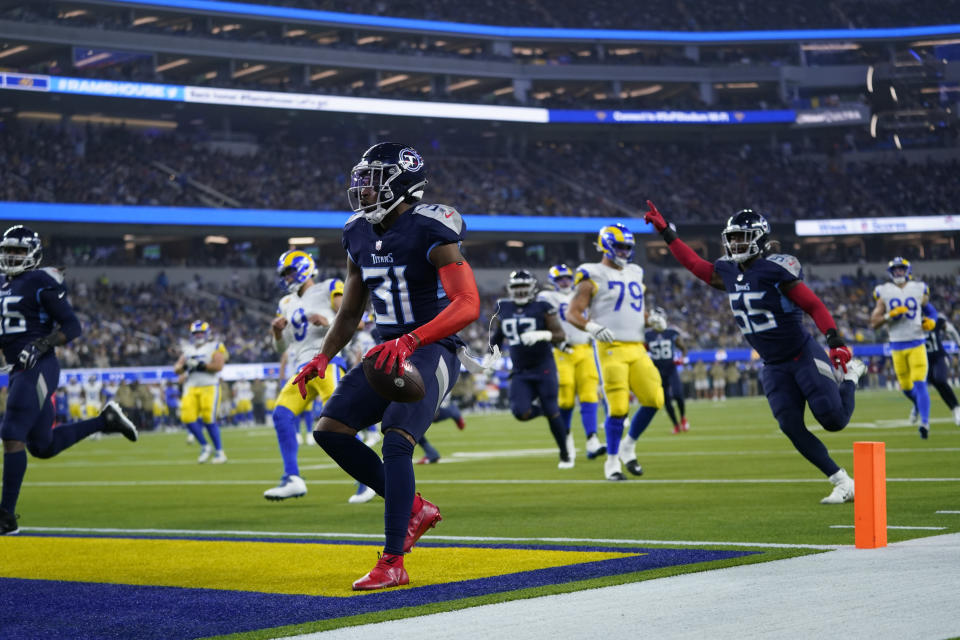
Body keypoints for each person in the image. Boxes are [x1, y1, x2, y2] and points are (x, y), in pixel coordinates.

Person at [292, 142, 480, 590]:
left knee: (396, 437)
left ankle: (393, 560)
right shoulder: (357, 231)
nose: (363, 188)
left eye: (373, 178)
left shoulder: (431, 228)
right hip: (386, 351)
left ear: (401, 182)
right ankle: (414, 508)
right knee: (329, 429)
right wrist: (323, 355)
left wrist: (413, 338)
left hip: (433, 347)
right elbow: (351, 309)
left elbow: (468, 304)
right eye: (362, 178)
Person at [645, 203, 865, 504]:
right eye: (733, 238)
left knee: (834, 421)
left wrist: (835, 340)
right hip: (773, 364)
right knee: (790, 425)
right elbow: (695, 264)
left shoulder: (776, 269)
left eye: (742, 237)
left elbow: (813, 304)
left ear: (759, 238)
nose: (736, 244)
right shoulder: (726, 271)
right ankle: (842, 481)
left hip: (801, 353)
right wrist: (666, 233)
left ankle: (852, 376)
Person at [0, 225, 138, 535]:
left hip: (38, 365)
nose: (12, 256)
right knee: (42, 446)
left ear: (33, 253)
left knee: (11, 432)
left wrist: (40, 345)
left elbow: (72, 327)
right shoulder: (4, 285)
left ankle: (5, 517)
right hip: (19, 367)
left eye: (19, 251)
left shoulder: (39, 280)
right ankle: (106, 421)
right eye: (8, 249)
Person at [266, 251, 374, 502]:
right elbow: (282, 349)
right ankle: (292, 478)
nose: (288, 278)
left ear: (304, 268)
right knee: (281, 414)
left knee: (339, 422)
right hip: (302, 367)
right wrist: (277, 334)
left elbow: (355, 322)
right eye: (285, 274)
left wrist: (326, 322)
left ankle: (368, 479)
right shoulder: (286, 303)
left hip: (327, 362)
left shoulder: (330, 286)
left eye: (290, 271)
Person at [566, 224, 664, 481]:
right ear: (605, 245)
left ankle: (627, 445)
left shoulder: (636, 271)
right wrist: (592, 327)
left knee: (655, 398)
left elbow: (632, 309)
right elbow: (573, 312)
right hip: (611, 348)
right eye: (619, 246)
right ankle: (611, 463)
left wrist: (651, 319)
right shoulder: (591, 273)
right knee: (618, 406)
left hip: (637, 345)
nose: (624, 251)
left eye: (627, 247)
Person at [491, 270, 572, 468]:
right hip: (520, 370)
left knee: (553, 410)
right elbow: (498, 336)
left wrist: (543, 334)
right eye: (516, 287)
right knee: (520, 412)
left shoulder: (542, 306)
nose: (520, 292)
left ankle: (565, 454)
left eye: (523, 287)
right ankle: (546, 412)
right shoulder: (503, 307)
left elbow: (560, 335)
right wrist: (491, 356)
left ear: (532, 288)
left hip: (543, 367)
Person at [537, 263, 605, 458]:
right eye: (560, 279)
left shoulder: (582, 293)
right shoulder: (547, 298)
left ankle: (592, 440)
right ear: (553, 282)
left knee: (589, 393)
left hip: (585, 348)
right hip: (561, 351)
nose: (565, 281)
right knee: (565, 397)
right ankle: (565, 439)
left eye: (567, 277)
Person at [871, 257, 938, 439]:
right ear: (891, 272)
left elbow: (932, 311)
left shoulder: (918, 288)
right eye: (896, 269)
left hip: (917, 342)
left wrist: (931, 321)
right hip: (897, 344)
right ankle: (917, 405)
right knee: (906, 387)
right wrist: (888, 315)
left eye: (902, 269)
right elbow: (874, 323)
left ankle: (924, 423)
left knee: (919, 382)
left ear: (907, 270)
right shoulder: (883, 291)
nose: (899, 272)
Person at [174, 320, 228, 463]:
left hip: (209, 386)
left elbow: (219, 366)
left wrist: (200, 365)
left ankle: (220, 452)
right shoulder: (188, 349)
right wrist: (184, 366)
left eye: (200, 333)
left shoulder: (215, 346)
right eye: (195, 333)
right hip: (191, 386)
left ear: (207, 333)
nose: (198, 336)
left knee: (208, 418)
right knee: (187, 417)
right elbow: (177, 368)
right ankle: (205, 446)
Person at [644, 307, 690, 433]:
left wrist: (682, 358)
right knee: (666, 400)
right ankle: (675, 424)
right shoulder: (647, 334)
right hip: (657, 370)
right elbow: (643, 351)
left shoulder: (671, 332)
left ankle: (683, 418)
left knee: (678, 394)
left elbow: (683, 348)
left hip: (671, 367)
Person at [919, 316, 960, 426]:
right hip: (925, 360)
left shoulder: (935, 319)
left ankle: (956, 407)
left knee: (940, 379)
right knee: (938, 386)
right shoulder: (911, 323)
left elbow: (950, 330)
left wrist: (959, 343)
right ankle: (954, 408)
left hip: (939, 357)